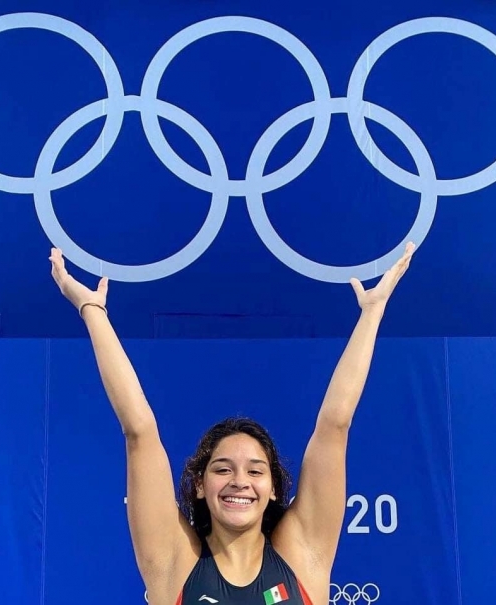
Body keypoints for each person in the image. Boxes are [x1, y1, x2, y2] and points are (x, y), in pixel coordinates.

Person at [49, 242, 415, 605]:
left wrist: (372, 312)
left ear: (273, 489)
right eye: (223, 469)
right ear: (199, 485)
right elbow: (139, 431)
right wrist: (92, 310)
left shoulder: (303, 556)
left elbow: (335, 424)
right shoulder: (175, 564)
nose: (240, 481)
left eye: (256, 472)